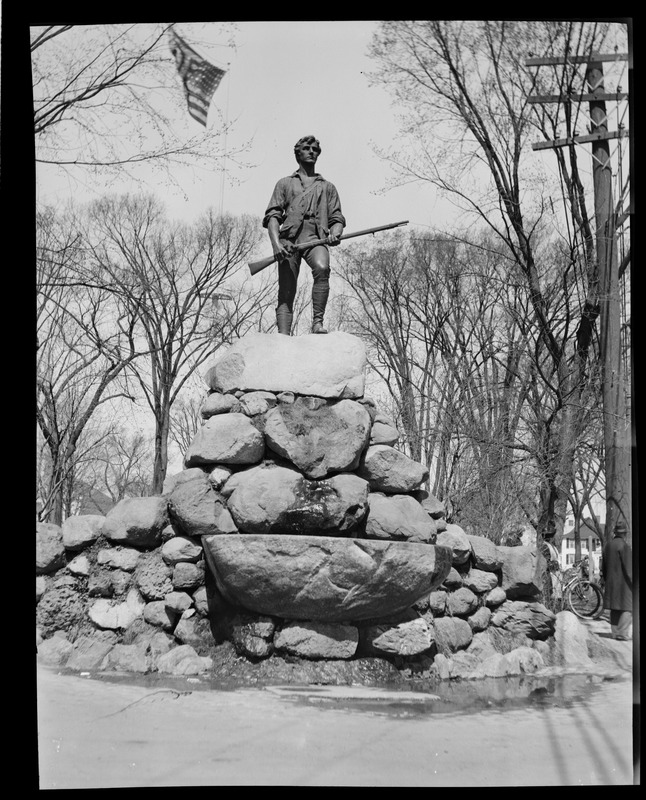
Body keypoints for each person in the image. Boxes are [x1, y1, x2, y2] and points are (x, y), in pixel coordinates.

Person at [263, 135, 346, 336]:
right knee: (287, 289)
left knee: (322, 267)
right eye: (307, 148)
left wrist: (335, 233)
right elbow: (273, 216)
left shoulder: (327, 187)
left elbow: (337, 218)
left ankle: (317, 322)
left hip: (315, 238)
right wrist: (276, 245)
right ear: (297, 153)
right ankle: (283, 333)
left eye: (315, 149)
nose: (311, 152)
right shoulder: (284, 183)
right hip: (289, 242)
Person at [601, 519, 633, 640]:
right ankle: (622, 633)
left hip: (611, 583)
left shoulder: (608, 546)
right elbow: (629, 570)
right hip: (624, 585)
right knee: (628, 607)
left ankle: (614, 633)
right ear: (625, 533)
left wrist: (606, 579)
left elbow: (604, 567)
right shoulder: (624, 546)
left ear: (615, 532)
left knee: (614, 607)